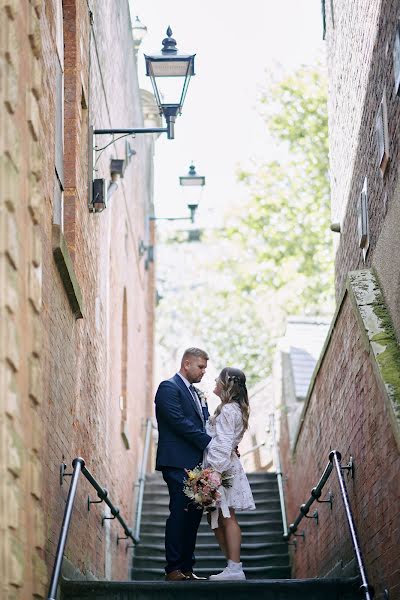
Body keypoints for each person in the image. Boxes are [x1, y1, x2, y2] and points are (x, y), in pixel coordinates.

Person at [155, 347, 211, 581]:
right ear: (186, 364)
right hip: (177, 462)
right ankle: (173, 569)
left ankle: (187, 568)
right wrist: (209, 441)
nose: (203, 372)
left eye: (205, 369)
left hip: (197, 464)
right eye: (200, 367)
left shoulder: (197, 393)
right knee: (179, 512)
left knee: (194, 515)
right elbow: (177, 421)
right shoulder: (168, 387)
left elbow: (205, 422)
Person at [204, 367, 256, 580]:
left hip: (221, 467)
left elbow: (224, 443)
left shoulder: (228, 410)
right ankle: (232, 566)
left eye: (219, 378)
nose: (215, 380)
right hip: (223, 463)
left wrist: (213, 472)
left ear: (227, 384)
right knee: (214, 518)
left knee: (226, 516)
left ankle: (235, 568)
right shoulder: (231, 409)